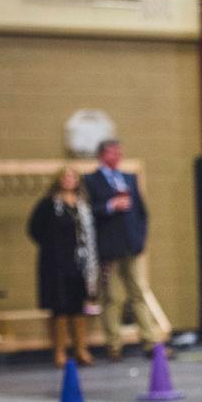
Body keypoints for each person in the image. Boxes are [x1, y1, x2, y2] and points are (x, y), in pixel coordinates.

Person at [83, 139, 163, 360]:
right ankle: (114, 345)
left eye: (119, 151)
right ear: (102, 154)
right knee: (113, 298)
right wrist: (110, 206)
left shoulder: (128, 178)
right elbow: (88, 211)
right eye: (112, 152)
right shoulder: (91, 180)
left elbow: (141, 212)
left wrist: (140, 239)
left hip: (131, 246)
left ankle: (149, 343)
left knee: (138, 293)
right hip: (108, 249)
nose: (117, 155)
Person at [28, 167, 100, 367]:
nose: (69, 180)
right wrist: (52, 246)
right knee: (59, 307)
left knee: (78, 306)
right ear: (58, 179)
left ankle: (81, 349)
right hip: (55, 262)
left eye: (73, 176)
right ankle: (59, 351)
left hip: (79, 261)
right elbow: (34, 229)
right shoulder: (49, 204)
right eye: (65, 176)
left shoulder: (83, 205)